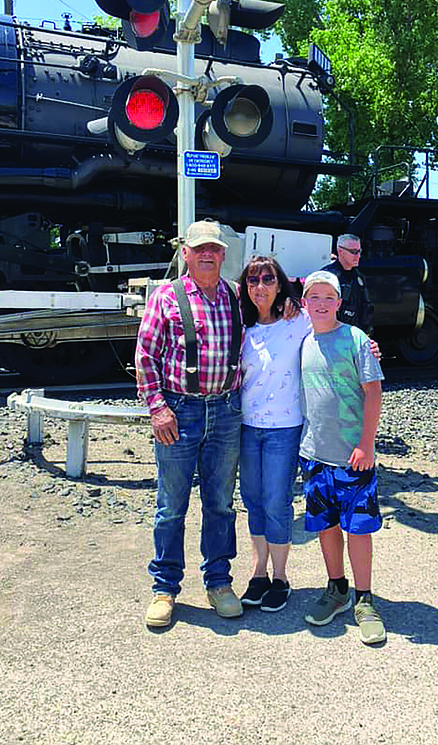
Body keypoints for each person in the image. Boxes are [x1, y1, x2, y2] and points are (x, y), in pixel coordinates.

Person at [136, 219, 244, 628]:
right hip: (179, 413)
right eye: (199, 248)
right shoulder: (167, 295)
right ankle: (164, 589)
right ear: (186, 253)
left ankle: (219, 582)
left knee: (220, 504)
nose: (207, 254)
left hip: (226, 411)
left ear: (222, 254)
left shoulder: (236, 296)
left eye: (214, 249)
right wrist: (157, 408)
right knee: (171, 505)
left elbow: (282, 311)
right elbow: (145, 354)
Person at [298, 270, 386, 646]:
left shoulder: (357, 340)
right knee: (326, 525)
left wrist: (366, 444)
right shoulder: (302, 341)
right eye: (313, 297)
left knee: (358, 528)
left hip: (353, 457)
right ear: (304, 303)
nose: (320, 304)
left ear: (339, 302)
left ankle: (365, 599)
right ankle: (337, 588)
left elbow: (373, 392)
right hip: (315, 455)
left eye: (328, 297)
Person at [237, 255, 312, 612]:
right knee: (252, 500)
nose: (260, 287)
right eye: (253, 281)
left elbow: (333, 330)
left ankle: (281, 577)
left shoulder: (297, 322)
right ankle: (258, 573)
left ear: (280, 284)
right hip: (249, 427)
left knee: (276, 502)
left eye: (268, 279)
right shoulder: (242, 328)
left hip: (284, 427)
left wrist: (367, 347)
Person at [322, 233, 374, 334]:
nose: (358, 256)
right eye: (353, 252)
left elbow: (365, 307)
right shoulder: (328, 277)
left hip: (353, 335)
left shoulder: (358, 277)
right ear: (340, 251)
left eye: (359, 252)